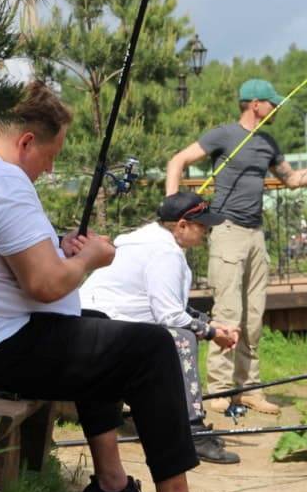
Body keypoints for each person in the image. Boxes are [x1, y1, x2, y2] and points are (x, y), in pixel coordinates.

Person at [0, 80, 251, 492]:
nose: (48, 170)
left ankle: (110, 487)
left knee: (99, 323)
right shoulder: (1, 180)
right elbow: (44, 285)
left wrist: (57, 246)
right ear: (26, 141)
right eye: (50, 156)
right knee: (151, 348)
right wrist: (90, 259)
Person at [166, 78, 307, 415]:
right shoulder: (223, 136)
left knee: (253, 318)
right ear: (255, 104)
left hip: (256, 236)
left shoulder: (268, 143)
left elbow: (294, 180)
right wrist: (173, 209)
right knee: (227, 313)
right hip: (226, 232)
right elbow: (176, 162)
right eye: (272, 103)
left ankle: (248, 388)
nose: (276, 108)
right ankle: (219, 391)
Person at [80, 192, 242, 465]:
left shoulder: (151, 241)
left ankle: (153, 413)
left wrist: (210, 323)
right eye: (202, 226)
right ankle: (192, 428)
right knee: (182, 338)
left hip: (97, 324)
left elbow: (166, 303)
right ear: (181, 225)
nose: (207, 232)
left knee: (179, 332)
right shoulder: (164, 252)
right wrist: (212, 334)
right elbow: (170, 316)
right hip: (99, 329)